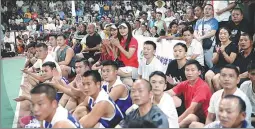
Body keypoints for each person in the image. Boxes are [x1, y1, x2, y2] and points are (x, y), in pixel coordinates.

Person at [166, 59, 212, 128]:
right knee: (172, 99)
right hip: (193, 116)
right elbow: (169, 93)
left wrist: (176, 122)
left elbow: (192, 109)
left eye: (193, 70)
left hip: (205, 120)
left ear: (199, 72)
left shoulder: (202, 87)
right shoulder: (185, 83)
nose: (189, 73)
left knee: (191, 119)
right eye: (187, 70)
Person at [205, 27, 238, 93]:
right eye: (220, 33)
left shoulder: (233, 45)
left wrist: (223, 52)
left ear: (229, 35)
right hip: (217, 66)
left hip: (228, 67)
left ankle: (222, 98)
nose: (222, 35)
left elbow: (231, 61)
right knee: (207, 75)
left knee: (216, 79)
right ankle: (212, 97)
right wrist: (217, 53)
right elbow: (213, 61)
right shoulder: (217, 45)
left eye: (225, 33)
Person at [111, 22, 139, 86]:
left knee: (113, 71)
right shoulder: (120, 40)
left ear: (129, 29)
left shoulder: (133, 40)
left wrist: (118, 45)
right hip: (123, 67)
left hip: (132, 67)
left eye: (124, 28)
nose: (122, 30)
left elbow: (129, 56)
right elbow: (115, 57)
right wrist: (113, 45)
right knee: (126, 81)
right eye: (120, 28)